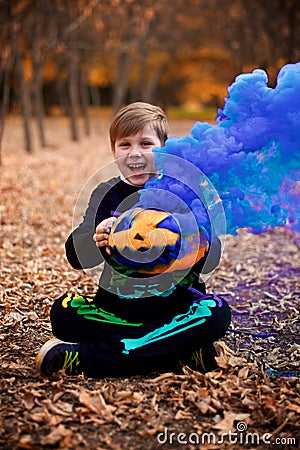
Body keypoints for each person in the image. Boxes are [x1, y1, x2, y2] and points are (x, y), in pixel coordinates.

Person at [36, 102, 231, 378]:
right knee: (63, 313)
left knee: (216, 312)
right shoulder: (106, 194)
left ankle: (89, 359)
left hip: (175, 309)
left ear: (164, 148)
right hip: (117, 311)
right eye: (124, 145)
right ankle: (178, 351)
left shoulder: (183, 191)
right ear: (113, 150)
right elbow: (76, 257)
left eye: (146, 143)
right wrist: (96, 238)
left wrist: (197, 240)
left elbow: (212, 257)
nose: (135, 153)